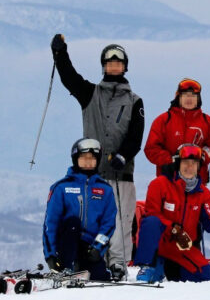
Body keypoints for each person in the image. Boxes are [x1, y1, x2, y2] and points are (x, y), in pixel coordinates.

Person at [50, 35, 144, 281]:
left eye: (118, 62)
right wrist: (60, 54)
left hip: (122, 173)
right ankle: (94, 262)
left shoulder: (134, 101)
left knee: (121, 221)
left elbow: (136, 137)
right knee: (93, 221)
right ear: (103, 65)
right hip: (93, 174)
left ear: (125, 67)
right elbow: (69, 78)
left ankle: (118, 264)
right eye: (109, 62)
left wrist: (123, 156)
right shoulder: (90, 93)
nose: (113, 66)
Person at [134, 143, 210, 283]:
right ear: (178, 163)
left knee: (207, 277)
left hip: (183, 247)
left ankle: (170, 268)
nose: (189, 167)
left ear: (198, 167)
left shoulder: (203, 192)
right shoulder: (159, 184)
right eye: (185, 163)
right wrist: (174, 230)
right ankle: (148, 266)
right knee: (151, 222)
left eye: (194, 163)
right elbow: (152, 213)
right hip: (160, 243)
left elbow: (209, 225)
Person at [42, 138, 117, 281]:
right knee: (73, 223)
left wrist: (98, 247)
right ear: (76, 159)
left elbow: (108, 224)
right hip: (65, 245)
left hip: (89, 248)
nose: (88, 162)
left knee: (99, 279)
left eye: (92, 158)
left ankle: (85, 268)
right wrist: (50, 255)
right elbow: (50, 224)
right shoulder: (61, 187)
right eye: (83, 158)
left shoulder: (105, 190)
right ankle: (66, 269)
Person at [144, 78, 210, 184]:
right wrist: (171, 160)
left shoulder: (207, 121)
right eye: (185, 95)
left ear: (198, 99)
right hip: (169, 180)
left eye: (193, 95)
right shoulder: (164, 120)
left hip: (198, 182)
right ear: (178, 97)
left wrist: (202, 156)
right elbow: (151, 149)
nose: (189, 99)